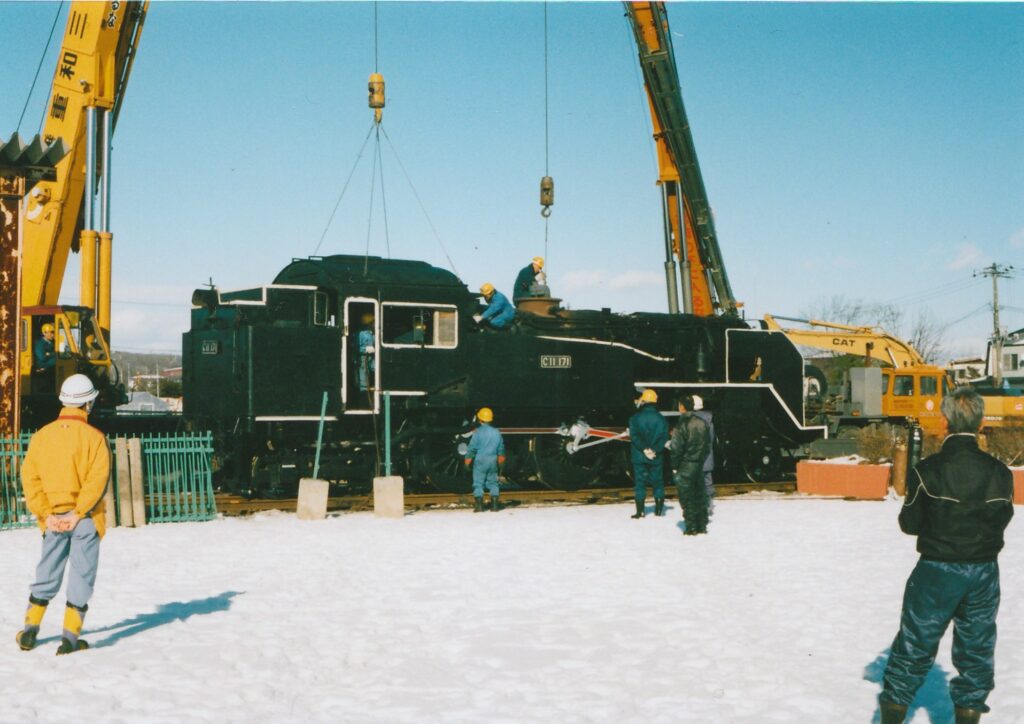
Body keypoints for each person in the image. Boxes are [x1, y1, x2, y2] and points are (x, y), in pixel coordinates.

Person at [878, 387, 1014, 724]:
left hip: (936, 573)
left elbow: (909, 523)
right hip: (983, 574)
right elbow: (1003, 517)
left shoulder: (928, 470)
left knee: (913, 648)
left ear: (944, 421)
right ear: (980, 424)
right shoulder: (1001, 473)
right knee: (976, 653)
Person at [15, 374, 110, 656]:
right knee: (82, 576)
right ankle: (69, 639)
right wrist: (79, 513)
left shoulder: (41, 436)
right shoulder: (95, 438)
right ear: (88, 403)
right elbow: (97, 481)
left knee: (47, 572)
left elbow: (30, 480)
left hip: (53, 519)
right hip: (85, 520)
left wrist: (48, 514)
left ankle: (29, 632)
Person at [669, 394, 711, 535]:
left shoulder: (681, 425)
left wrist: (675, 466)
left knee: (687, 497)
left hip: (686, 465)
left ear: (682, 407)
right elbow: (708, 446)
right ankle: (702, 526)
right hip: (699, 464)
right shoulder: (703, 423)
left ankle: (691, 527)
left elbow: (676, 448)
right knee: (699, 495)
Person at [627, 388, 669, 518]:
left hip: (639, 456)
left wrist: (645, 449)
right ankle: (658, 511)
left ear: (643, 401)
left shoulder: (634, 418)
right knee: (658, 482)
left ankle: (640, 511)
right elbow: (664, 438)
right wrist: (654, 450)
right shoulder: (662, 419)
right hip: (656, 456)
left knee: (640, 483)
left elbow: (634, 436)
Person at [464, 407, 506, 512]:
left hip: (480, 460)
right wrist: (501, 461)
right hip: (493, 461)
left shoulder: (477, 432)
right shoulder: (497, 432)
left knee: (478, 482)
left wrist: (467, 461)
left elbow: (472, 448)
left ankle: (479, 506)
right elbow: (501, 449)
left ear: (480, 419)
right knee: (493, 482)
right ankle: (495, 506)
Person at [691, 395, 716, 517]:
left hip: (694, 458)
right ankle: (709, 505)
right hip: (707, 457)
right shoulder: (709, 421)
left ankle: (698, 507)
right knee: (707, 481)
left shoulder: (691, 421)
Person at [357, 312, 375, 391]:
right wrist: (366, 349)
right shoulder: (360, 334)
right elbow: (356, 348)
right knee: (363, 377)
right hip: (363, 359)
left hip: (372, 358)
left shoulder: (373, 334)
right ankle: (363, 392)